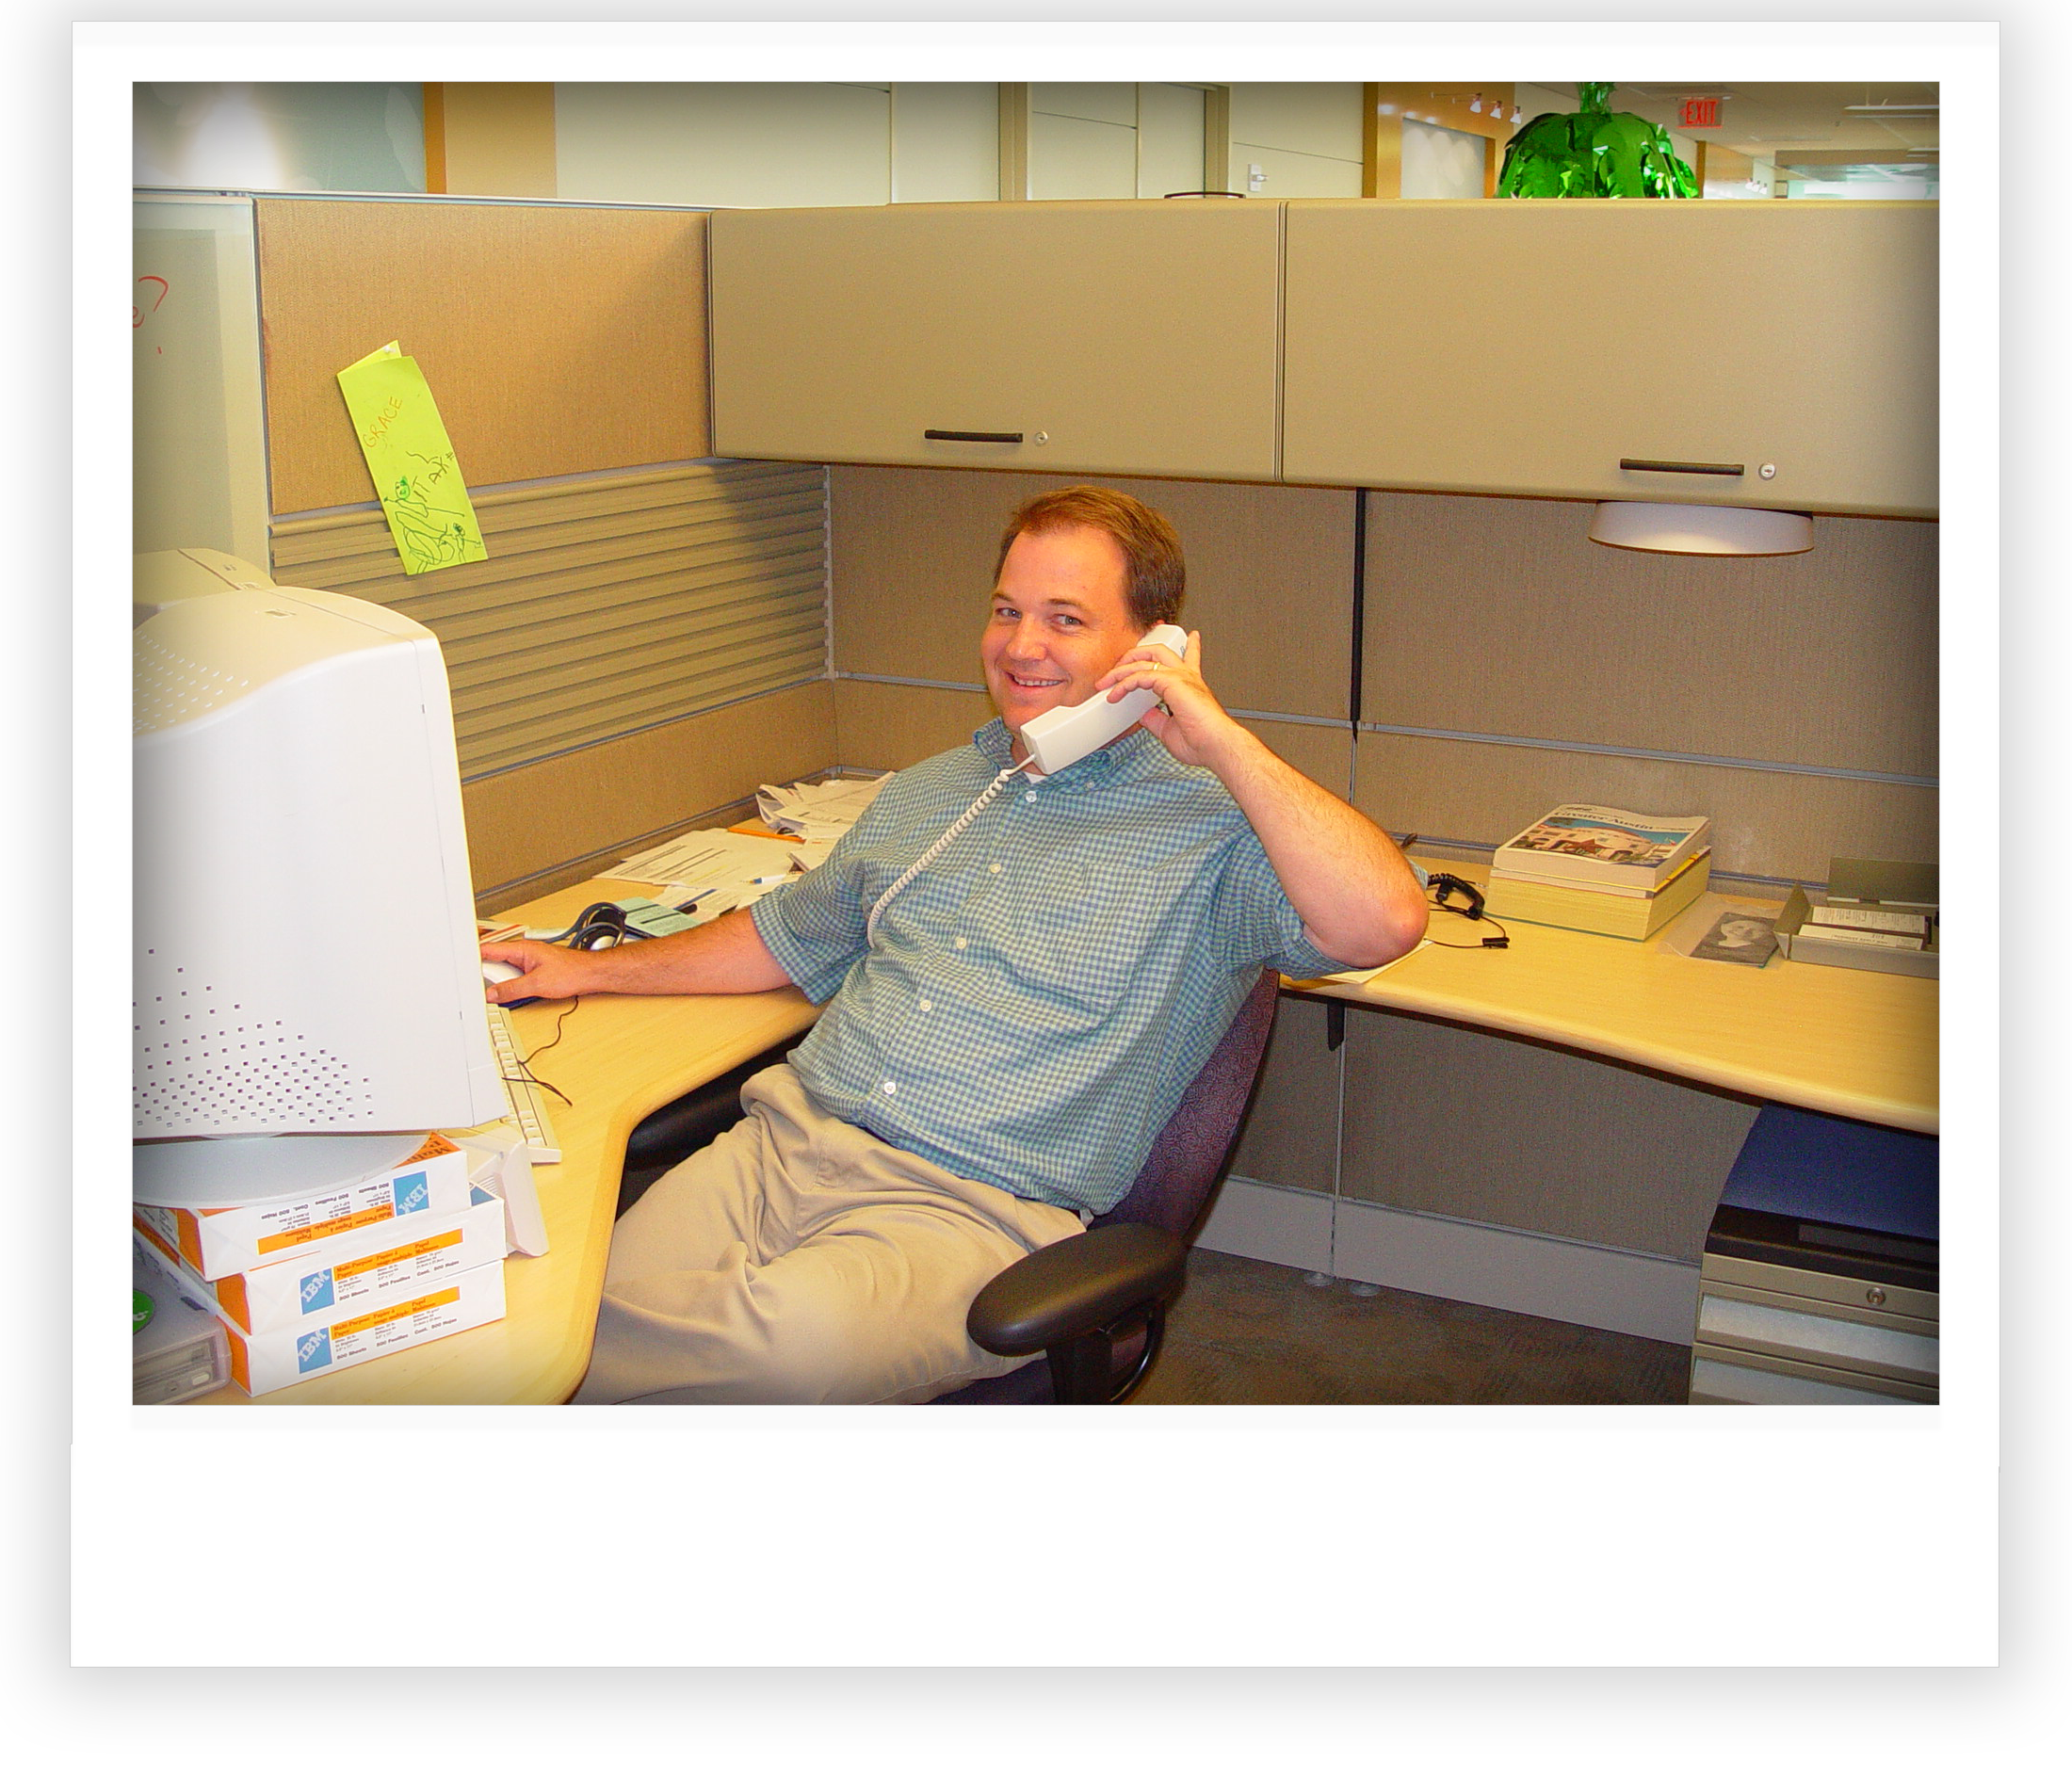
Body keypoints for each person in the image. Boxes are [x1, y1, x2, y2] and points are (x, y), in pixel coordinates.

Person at [481, 485, 1429, 1403]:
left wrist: (1220, 742)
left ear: (1150, 651)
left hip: (970, 1211)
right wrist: (587, 969)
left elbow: (1383, 920)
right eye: (1007, 609)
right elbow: (781, 936)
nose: (1021, 645)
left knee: (768, 1356)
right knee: (555, 1303)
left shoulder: (1213, 830)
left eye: (1065, 618)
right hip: (780, 1144)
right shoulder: (929, 793)